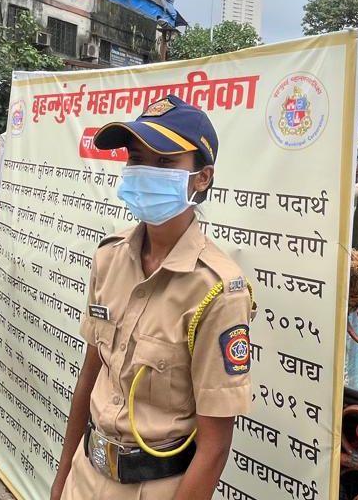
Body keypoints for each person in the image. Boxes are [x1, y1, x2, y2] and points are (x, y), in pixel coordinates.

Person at [50, 95, 253, 500]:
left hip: (155, 488)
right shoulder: (108, 259)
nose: (143, 172)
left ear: (202, 177)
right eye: (136, 158)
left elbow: (214, 447)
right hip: (84, 475)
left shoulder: (217, 290)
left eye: (164, 163)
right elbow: (89, 378)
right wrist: (60, 484)